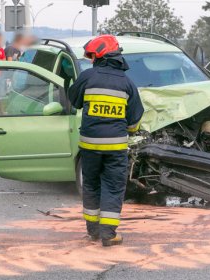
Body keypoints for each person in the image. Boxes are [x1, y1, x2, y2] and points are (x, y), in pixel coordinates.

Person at [68, 35, 144, 247]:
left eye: (92, 56)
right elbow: (135, 118)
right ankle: (108, 235)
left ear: (100, 55)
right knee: (112, 187)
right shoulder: (127, 82)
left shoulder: (87, 76)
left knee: (91, 185)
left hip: (89, 145)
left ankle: (93, 232)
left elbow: (74, 100)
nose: (91, 60)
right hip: (115, 147)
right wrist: (130, 128)